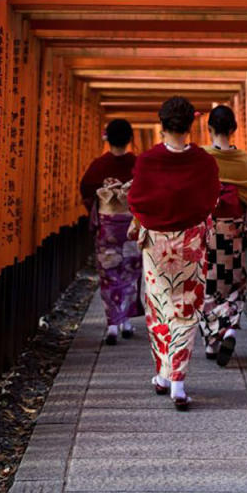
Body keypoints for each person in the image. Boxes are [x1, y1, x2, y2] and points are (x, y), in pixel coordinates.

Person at [128, 97, 220, 410]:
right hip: (191, 243)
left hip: (156, 244)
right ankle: (177, 381)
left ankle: (163, 374)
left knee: (157, 305)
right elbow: (210, 199)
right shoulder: (204, 162)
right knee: (186, 308)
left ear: (162, 124)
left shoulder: (148, 161)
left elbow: (137, 200)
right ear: (190, 125)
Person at [200, 105, 247, 367]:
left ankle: (213, 341)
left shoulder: (203, 158)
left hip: (208, 229)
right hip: (234, 228)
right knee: (234, 280)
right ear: (233, 129)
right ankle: (229, 328)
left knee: (208, 282)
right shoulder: (243, 160)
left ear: (210, 128)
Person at [80, 119, 142, 345]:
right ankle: (126, 321)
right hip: (130, 224)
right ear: (129, 139)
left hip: (107, 226)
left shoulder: (99, 165)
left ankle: (113, 324)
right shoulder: (137, 164)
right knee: (130, 271)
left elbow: (86, 188)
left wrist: (101, 201)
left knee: (109, 274)